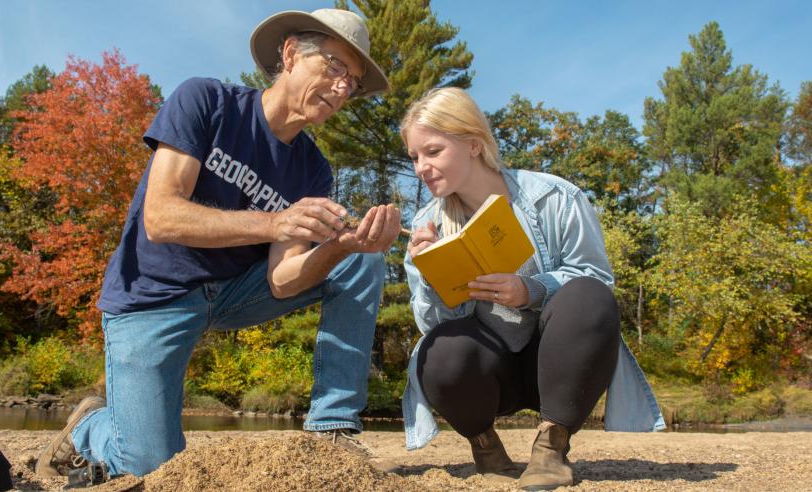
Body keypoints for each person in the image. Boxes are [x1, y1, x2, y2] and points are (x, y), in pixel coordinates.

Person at [36, 8, 401, 479]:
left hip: (232, 293)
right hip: (153, 299)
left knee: (360, 263)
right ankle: (90, 425)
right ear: (290, 53)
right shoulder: (206, 101)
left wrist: (341, 247)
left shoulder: (313, 169)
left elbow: (283, 281)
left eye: (352, 81)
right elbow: (161, 217)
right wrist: (276, 222)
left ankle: (332, 429)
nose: (342, 88)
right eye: (334, 67)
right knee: (147, 464)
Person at [400, 87, 665, 490]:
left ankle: (551, 449)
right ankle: (486, 448)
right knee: (438, 349)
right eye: (415, 157)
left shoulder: (554, 197)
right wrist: (430, 276)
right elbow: (433, 324)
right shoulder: (426, 224)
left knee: (588, 295)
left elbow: (598, 278)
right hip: (492, 368)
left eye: (432, 152)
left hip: (561, 363)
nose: (421, 166)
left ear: (473, 144)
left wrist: (532, 289)